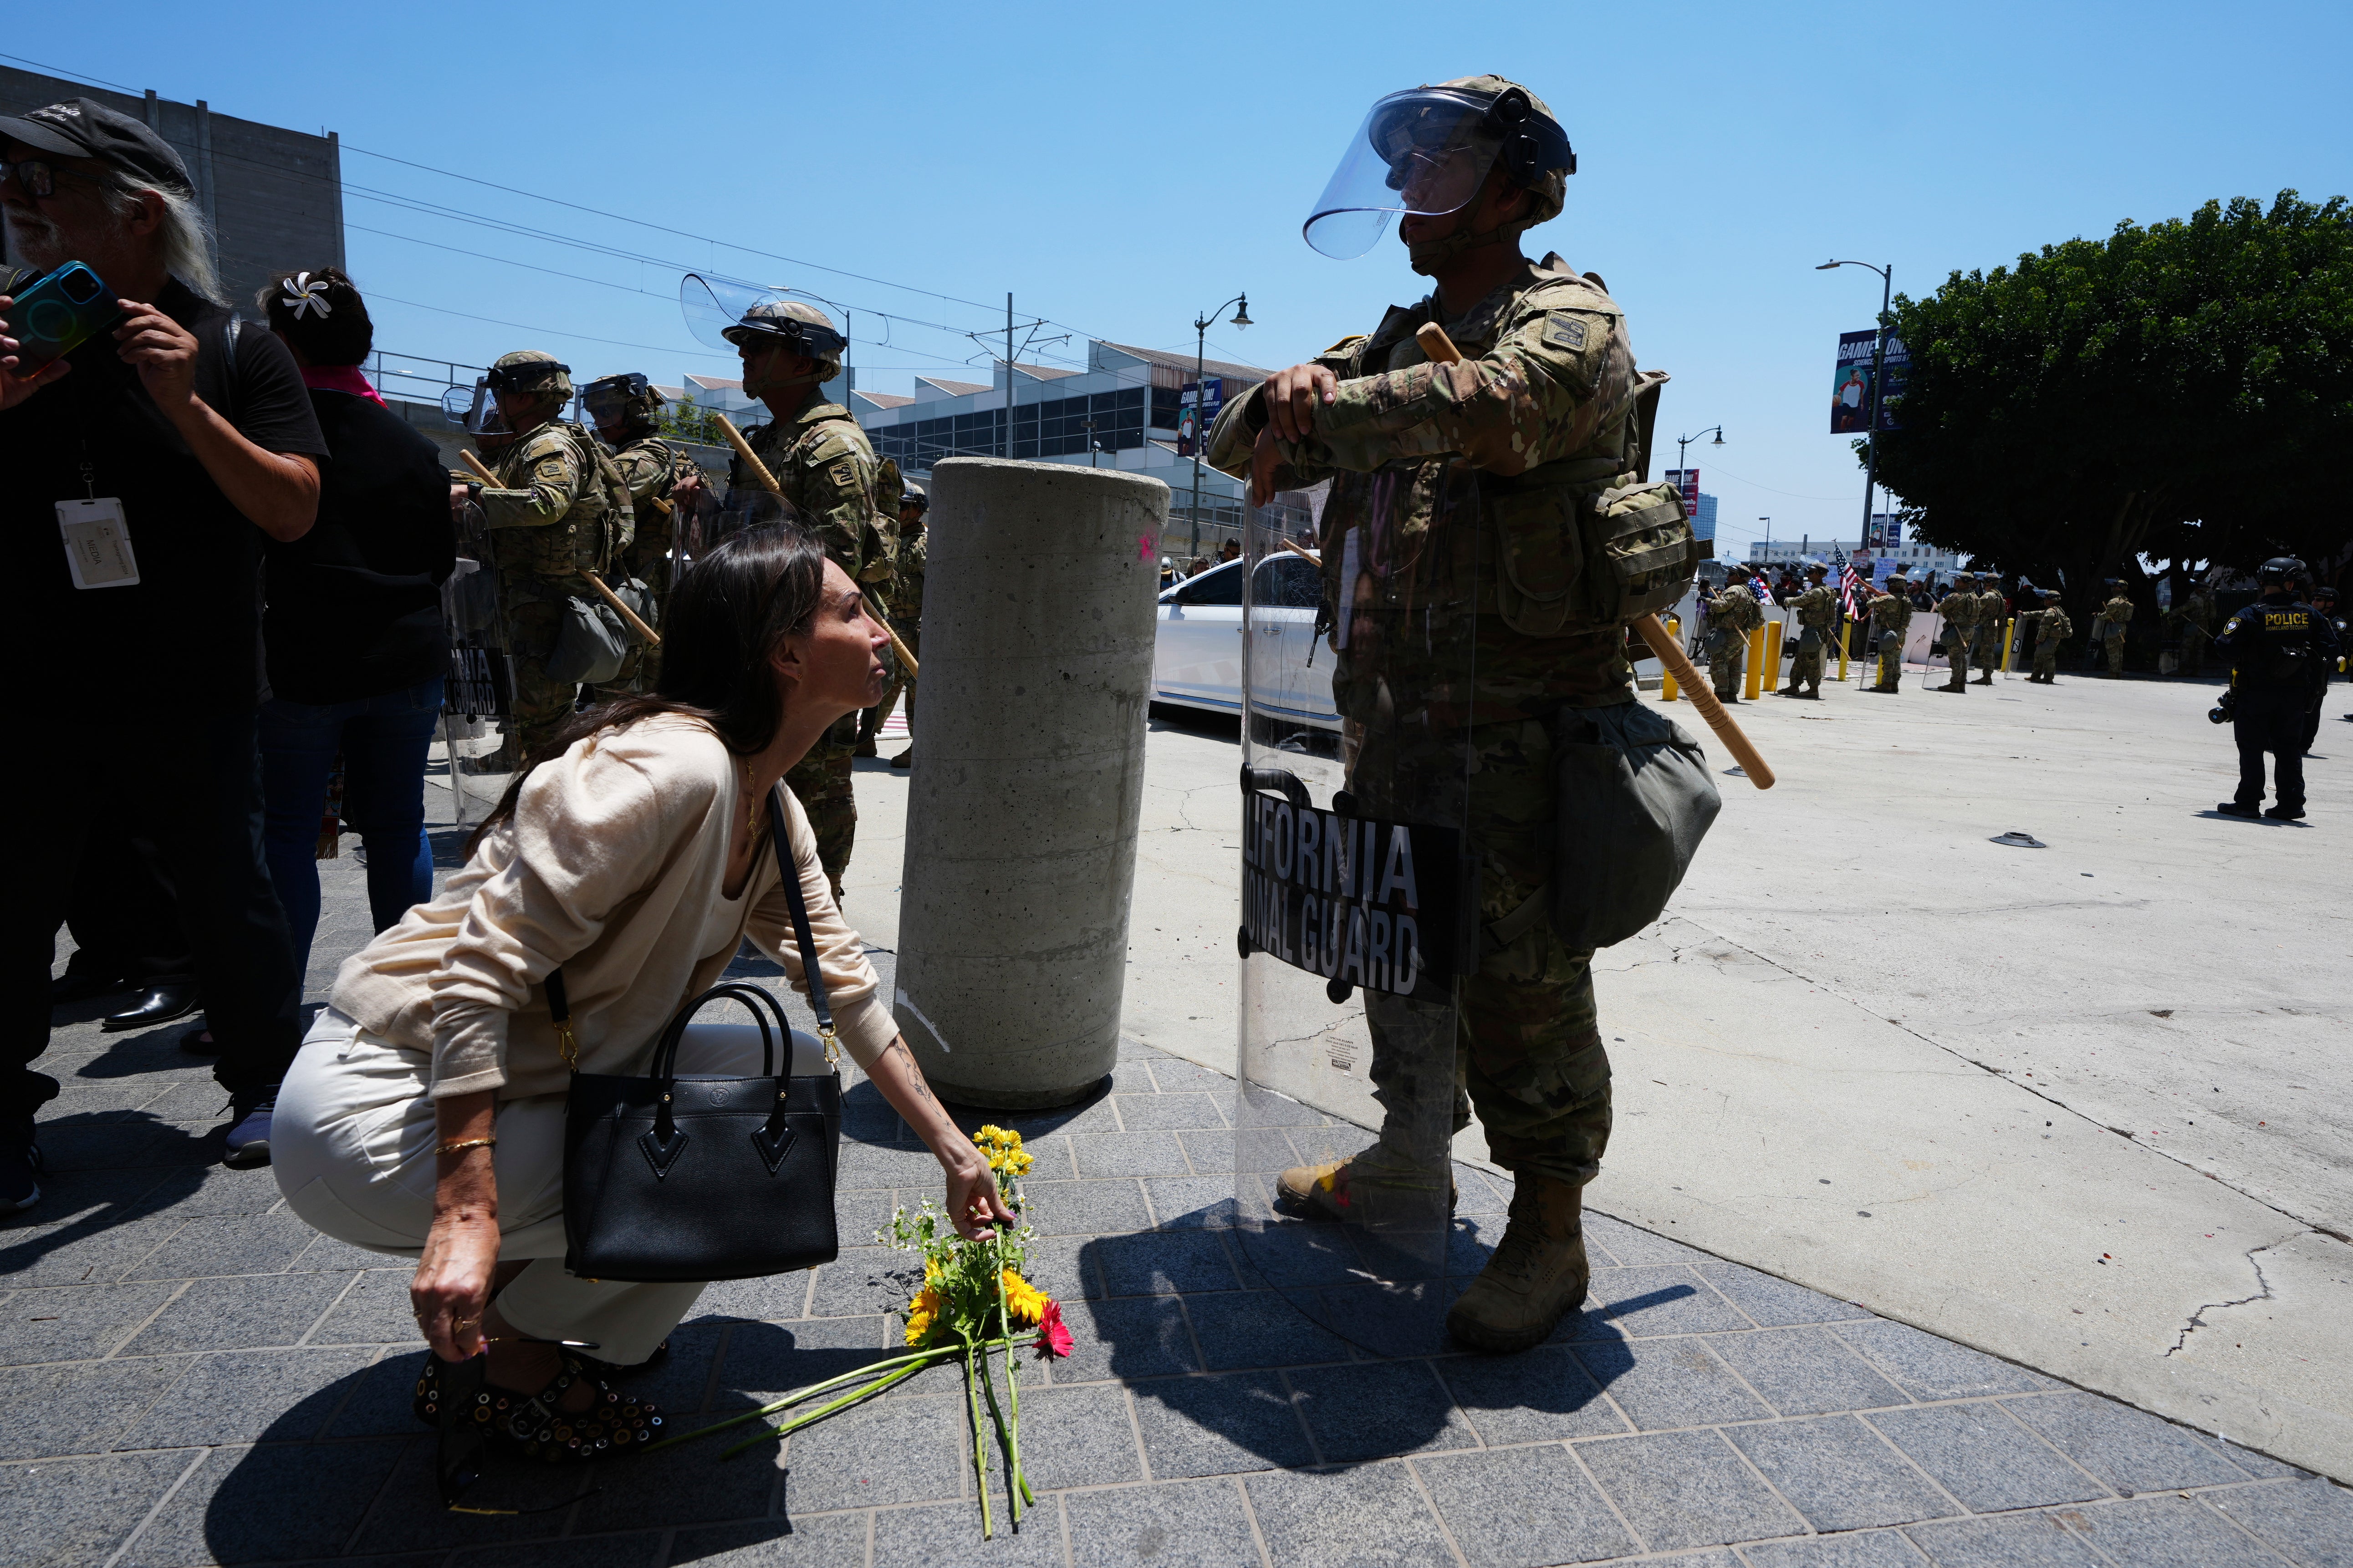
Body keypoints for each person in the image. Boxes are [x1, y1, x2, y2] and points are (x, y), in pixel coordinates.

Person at [271, 527, 1014, 1465]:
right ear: (785, 652)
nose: (879, 630)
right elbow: (479, 971)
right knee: (719, 1164)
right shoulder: (676, 768)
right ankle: (517, 1356)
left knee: (772, 1068)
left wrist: (953, 1153)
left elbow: (849, 992)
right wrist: (467, 1209)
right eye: (852, 610)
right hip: (374, 1106)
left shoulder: (768, 803)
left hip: (496, 1082)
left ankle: (513, 1329)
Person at [1206, 74, 1647, 1353]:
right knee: (1396, 949)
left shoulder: (1569, 319)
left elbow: (1500, 408)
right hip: (1393, 719)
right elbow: (1244, 443)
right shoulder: (1390, 337)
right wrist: (1289, 385)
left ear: (1512, 187)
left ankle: (1547, 1229)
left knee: (1519, 979)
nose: (1407, 185)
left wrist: (1331, 409)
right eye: (1397, 165)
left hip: (1515, 727)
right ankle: (1406, 1157)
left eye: (1437, 164)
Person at [4, 97, 327, 1199]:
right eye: (12, 179)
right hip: (35, 683)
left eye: (45, 183)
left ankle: (262, 1084)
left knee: (226, 890)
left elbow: (291, 509)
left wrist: (188, 406)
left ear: (136, 210)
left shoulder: (235, 344)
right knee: (13, 899)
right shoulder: (7, 335)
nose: (17, 203)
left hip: (196, 683)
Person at [252, 268, 456, 987]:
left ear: (279, 343)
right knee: (399, 825)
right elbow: (439, 561)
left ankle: (272, 1001)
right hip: (405, 656)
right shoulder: (412, 444)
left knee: (285, 831)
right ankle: (401, 989)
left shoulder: (264, 441)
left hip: (302, 662)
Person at [721, 300, 894, 901]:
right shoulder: (766, 440)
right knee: (757, 766)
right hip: (758, 637)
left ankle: (815, 902)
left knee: (816, 776)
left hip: (810, 644)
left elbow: (836, 561)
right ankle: (756, 889)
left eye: (757, 345)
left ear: (801, 359)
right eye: (743, 344)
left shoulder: (829, 447)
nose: (744, 355)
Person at [453, 351, 630, 766]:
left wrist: (473, 497)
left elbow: (547, 504)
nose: (497, 404)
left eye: (502, 393)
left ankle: (554, 803)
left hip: (548, 604)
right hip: (531, 598)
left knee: (543, 716)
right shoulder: (529, 443)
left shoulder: (548, 443)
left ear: (524, 396)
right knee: (532, 709)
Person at [581, 372, 704, 699]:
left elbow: (599, 491)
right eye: (594, 413)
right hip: (637, 585)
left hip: (641, 586)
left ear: (635, 412)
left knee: (621, 691)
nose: (599, 421)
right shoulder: (625, 452)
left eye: (607, 412)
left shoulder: (647, 455)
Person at [2211, 558, 2338, 820]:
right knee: (2288, 747)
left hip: (2255, 692)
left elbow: (2224, 647)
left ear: (2262, 581)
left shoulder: (2251, 613)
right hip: (2294, 694)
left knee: (2251, 747)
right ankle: (2291, 804)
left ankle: (2248, 802)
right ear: (2291, 583)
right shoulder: (2310, 614)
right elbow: (2331, 649)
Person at [876, 481, 927, 769]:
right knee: (882, 680)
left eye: (906, 506)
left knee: (915, 686)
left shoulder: (923, 544)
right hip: (887, 621)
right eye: (898, 505)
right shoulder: (890, 539)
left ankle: (918, 744)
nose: (899, 510)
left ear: (918, 511)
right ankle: (867, 735)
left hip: (911, 625)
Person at [1780, 563, 1836, 697]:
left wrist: (1787, 600)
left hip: (1814, 630)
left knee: (1811, 659)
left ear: (1819, 574)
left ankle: (1813, 689)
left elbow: (1801, 600)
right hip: (1814, 630)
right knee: (1801, 658)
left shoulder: (1817, 591)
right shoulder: (1828, 590)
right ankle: (1794, 686)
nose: (1809, 574)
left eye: (1812, 572)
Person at [1706, 575, 1762, 702]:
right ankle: (1732, 693)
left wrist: (1708, 601)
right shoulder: (1746, 591)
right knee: (1735, 664)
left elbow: (1724, 606)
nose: (1728, 576)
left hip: (1730, 632)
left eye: (1731, 574)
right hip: (1741, 633)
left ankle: (1721, 692)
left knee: (1720, 660)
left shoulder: (1735, 590)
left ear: (1739, 577)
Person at [1931, 570, 1981, 693]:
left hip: (1957, 630)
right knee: (1962, 658)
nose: (1956, 583)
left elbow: (1940, 607)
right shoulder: (1975, 597)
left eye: (1958, 581)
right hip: (1969, 630)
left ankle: (1954, 683)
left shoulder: (1957, 596)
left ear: (1965, 583)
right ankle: (1961, 683)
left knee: (1955, 658)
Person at [1865, 573, 1914, 692]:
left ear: (1894, 585)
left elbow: (1869, 604)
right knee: (1896, 658)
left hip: (1889, 633)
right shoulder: (1907, 600)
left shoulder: (1889, 599)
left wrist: (1874, 599)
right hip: (1901, 633)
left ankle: (1886, 684)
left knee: (1888, 659)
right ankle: (1894, 683)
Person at [2167, 578, 2215, 679]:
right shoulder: (2211, 602)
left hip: (2193, 627)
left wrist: (2169, 615)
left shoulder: (2196, 601)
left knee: (2186, 648)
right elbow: (2213, 615)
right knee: (2200, 649)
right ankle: (2197, 670)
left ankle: (2182, 670)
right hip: (2205, 628)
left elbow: (2182, 609)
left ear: (2199, 590)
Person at [2028, 589, 2072, 682]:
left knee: (2048, 657)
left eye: (2046, 599)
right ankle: (2036, 675)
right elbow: (2038, 614)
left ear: (2051, 600)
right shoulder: (2057, 609)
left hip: (2049, 638)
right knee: (2039, 655)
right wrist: (2024, 615)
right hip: (2052, 638)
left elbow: (2044, 628)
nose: (2045, 601)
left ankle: (2048, 678)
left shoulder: (2050, 612)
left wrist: (2039, 639)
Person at [2094, 579, 2134, 677]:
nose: (2112, 589)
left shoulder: (2115, 601)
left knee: (2112, 650)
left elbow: (2107, 615)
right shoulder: (2126, 601)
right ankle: (2117, 672)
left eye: (2114, 587)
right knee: (2119, 650)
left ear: (2118, 588)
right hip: (2122, 627)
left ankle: (2113, 673)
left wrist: (2097, 615)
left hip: (2114, 627)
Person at [1971, 576, 2006, 683]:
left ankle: (1987, 677)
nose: (1983, 585)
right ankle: (1988, 675)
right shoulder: (1998, 595)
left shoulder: (1989, 596)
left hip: (1987, 626)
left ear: (1989, 584)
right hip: (1992, 626)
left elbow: (1975, 607)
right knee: (1989, 650)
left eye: (1985, 583)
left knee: (1986, 652)